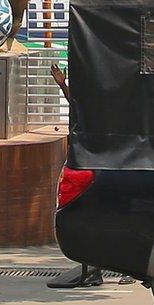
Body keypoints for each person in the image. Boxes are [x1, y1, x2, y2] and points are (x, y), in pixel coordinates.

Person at [46, 64, 107, 290]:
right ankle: (92, 268)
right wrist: (62, 84)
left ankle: (101, 267)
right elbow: (76, 104)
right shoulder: (88, 115)